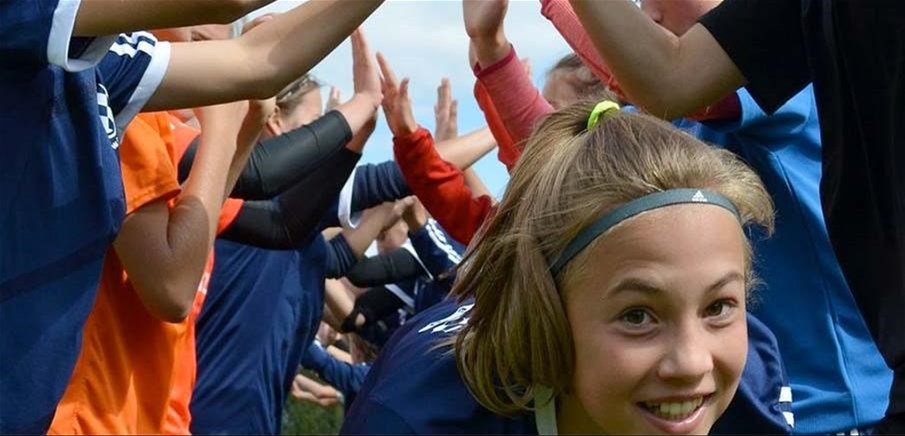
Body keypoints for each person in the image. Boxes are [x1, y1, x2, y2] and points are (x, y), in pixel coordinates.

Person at [0, 1, 385, 433]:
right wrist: (226, 122)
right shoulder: (116, 96)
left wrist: (248, 125)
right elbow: (174, 286)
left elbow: (256, 61)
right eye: (200, 36)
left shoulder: (102, 70)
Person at [342, 99, 791, 434]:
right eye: (637, 316)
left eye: (718, 306)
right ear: (543, 315)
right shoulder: (415, 418)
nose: (692, 363)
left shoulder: (751, 382)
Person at [567, 2, 905, 429]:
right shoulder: (659, 126)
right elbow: (565, 158)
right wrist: (495, 57)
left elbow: (674, 86)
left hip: (833, 412)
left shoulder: (779, 92)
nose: (648, 15)